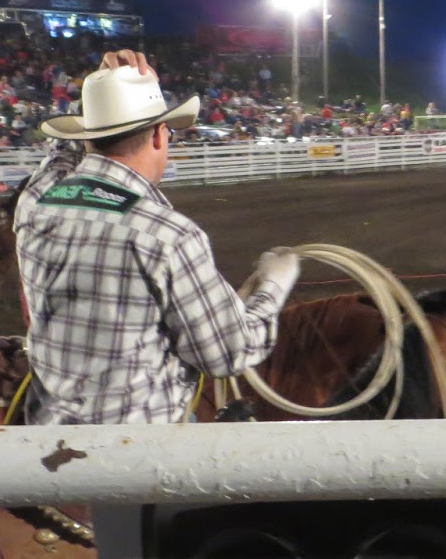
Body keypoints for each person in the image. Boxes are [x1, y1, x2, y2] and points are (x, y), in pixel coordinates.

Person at [15, 49, 300, 425]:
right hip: (139, 451)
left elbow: (56, 165)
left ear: (89, 137)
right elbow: (227, 353)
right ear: (158, 136)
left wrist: (101, 104)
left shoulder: (35, 205)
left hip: (48, 438)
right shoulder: (168, 235)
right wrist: (273, 287)